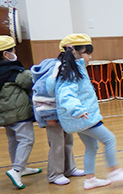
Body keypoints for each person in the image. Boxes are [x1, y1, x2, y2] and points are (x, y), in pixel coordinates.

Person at [47, 34, 123, 190]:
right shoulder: (71, 73)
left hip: (81, 119)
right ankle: (114, 171)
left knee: (92, 147)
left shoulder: (74, 69)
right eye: (87, 53)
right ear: (75, 52)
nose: (90, 57)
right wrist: (78, 110)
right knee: (109, 139)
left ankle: (90, 179)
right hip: (84, 118)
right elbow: (65, 95)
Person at [0, 35, 42, 189]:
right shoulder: (12, 70)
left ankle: (20, 166)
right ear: (5, 54)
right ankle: (17, 170)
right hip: (18, 113)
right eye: (12, 50)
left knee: (13, 140)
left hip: (2, 114)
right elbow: (29, 81)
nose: (15, 53)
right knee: (26, 139)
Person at [32, 57, 84, 185]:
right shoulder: (56, 68)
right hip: (52, 115)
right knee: (57, 144)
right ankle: (55, 174)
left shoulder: (67, 67)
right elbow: (42, 93)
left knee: (68, 141)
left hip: (62, 114)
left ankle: (69, 168)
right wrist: (48, 115)